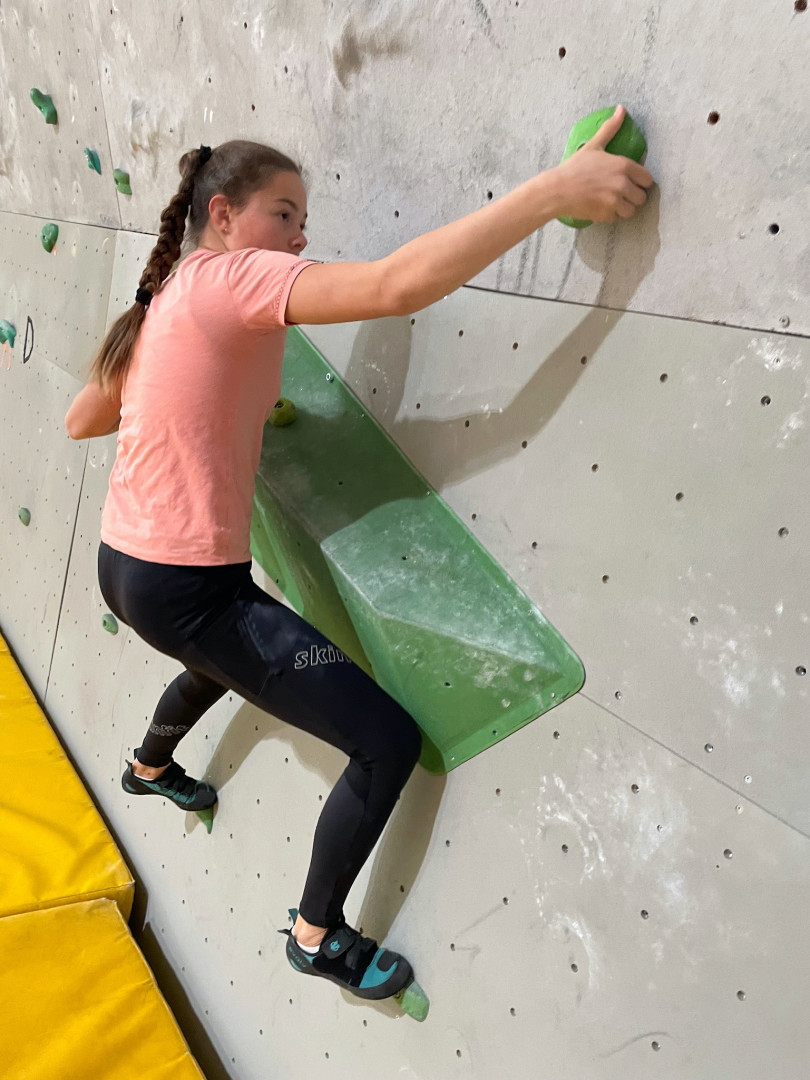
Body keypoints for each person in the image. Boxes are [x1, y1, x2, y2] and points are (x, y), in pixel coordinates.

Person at [65, 105, 654, 1002]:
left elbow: (84, 420)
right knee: (384, 740)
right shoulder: (231, 280)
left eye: (303, 220)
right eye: (284, 214)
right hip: (188, 588)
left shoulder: (169, 298)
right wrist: (553, 192)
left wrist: (195, 399)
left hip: (127, 568)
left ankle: (148, 768)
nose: (300, 236)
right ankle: (316, 936)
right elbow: (394, 287)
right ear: (222, 215)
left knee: (218, 660)